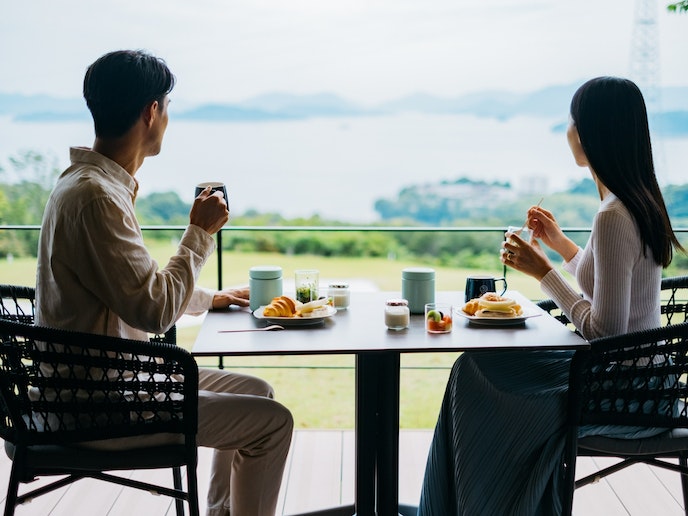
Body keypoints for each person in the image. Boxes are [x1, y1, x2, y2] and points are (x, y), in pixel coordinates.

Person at [35, 49, 293, 516]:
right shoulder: (97, 199)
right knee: (272, 423)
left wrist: (207, 298)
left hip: (91, 384)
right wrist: (199, 234)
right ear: (152, 112)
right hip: (98, 406)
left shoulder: (87, 184)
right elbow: (152, 310)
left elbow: (134, 288)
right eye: (166, 108)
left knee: (256, 392)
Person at [417, 76, 685, 515]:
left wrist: (542, 271)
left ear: (590, 132)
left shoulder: (614, 216)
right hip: (649, 379)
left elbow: (606, 331)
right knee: (476, 369)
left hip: (621, 388)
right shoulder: (636, 202)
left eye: (572, 121)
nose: (568, 131)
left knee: (475, 375)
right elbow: (613, 287)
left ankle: (471, 505)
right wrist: (560, 244)